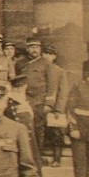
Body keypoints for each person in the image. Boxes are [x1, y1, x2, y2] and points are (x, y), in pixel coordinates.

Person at [17, 36, 64, 168]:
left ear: (40, 48)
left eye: (36, 47)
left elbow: (52, 85)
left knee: (38, 129)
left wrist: (49, 104)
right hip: (24, 101)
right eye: (31, 47)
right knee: (25, 128)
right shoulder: (20, 63)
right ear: (27, 48)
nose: (34, 50)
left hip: (39, 102)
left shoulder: (47, 64)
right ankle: (26, 157)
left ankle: (38, 157)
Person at [67, 62, 89, 177]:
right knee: (80, 160)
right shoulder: (78, 87)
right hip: (80, 127)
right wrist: (73, 128)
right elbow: (69, 109)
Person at [5, 73, 42, 177]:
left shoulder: (29, 100)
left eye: (22, 87)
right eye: (17, 87)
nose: (20, 89)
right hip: (15, 134)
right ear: (13, 88)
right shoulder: (9, 101)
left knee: (31, 153)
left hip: (29, 133)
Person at [41, 44, 71, 167]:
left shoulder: (59, 71)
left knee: (56, 133)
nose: (47, 56)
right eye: (45, 54)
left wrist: (59, 109)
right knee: (40, 131)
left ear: (54, 56)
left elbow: (63, 91)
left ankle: (56, 159)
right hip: (40, 106)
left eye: (50, 54)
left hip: (54, 109)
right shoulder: (38, 68)